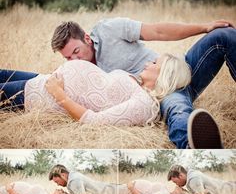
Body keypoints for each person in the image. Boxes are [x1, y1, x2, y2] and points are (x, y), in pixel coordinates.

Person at [50, 18, 236, 149]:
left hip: (176, 69)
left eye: (76, 51)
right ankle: (193, 146)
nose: (74, 60)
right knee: (178, 110)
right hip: (159, 93)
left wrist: (204, 27)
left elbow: (158, 31)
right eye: (68, 58)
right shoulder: (84, 73)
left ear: (87, 39)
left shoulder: (108, 29)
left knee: (224, 35)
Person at [0, 53, 191, 127]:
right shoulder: (136, 83)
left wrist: (58, 94)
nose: (149, 62)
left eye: (155, 63)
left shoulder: (144, 104)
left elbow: (95, 121)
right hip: (42, 79)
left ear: (164, 75)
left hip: (40, 96)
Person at [49, 164, 117, 194]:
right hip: (112, 189)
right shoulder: (72, 176)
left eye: (57, 181)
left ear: (63, 175)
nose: (58, 185)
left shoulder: (73, 181)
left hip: (115, 193)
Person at [167, 165, 236, 194]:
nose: (176, 184)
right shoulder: (191, 173)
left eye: (175, 182)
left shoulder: (193, 180)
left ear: (180, 176)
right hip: (230, 185)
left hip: (231, 191)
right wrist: (186, 192)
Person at [119, 179, 186, 194]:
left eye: (183, 188)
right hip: (123, 187)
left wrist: (131, 188)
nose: (180, 185)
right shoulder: (166, 192)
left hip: (123, 191)